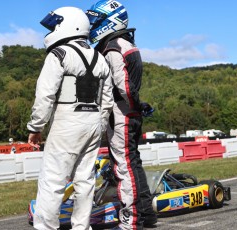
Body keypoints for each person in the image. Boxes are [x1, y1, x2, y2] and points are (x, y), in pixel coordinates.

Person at [27, 6, 113, 230]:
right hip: (93, 121)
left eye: (55, 24)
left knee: (53, 180)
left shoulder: (59, 55)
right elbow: (107, 100)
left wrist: (36, 127)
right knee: (85, 180)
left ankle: (46, 227)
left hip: (67, 121)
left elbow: (45, 95)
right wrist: (100, 126)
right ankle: (81, 227)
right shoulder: (100, 58)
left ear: (67, 25)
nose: (52, 29)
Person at [86, 1, 157, 229]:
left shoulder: (113, 47)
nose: (93, 24)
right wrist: (139, 105)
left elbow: (124, 87)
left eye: (98, 19)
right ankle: (145, 215)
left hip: (121, 115)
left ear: (111, 20)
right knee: (133, 164)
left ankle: (130, 221)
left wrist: (134, 103)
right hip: (128, 113)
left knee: (124, 167)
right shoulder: (125, 44)